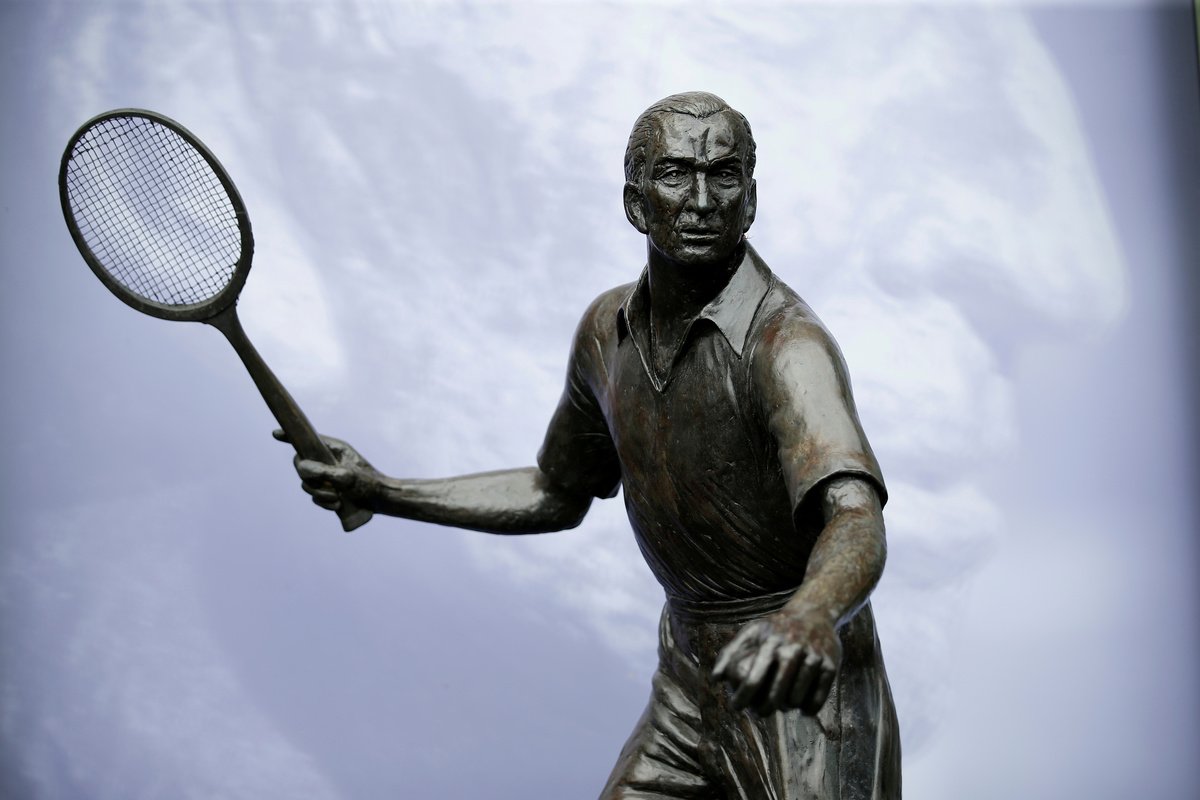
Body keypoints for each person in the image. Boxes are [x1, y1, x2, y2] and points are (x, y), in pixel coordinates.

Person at [280, 92, 900, 799]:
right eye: (676, 175)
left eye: (724, 176)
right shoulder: (606, 332)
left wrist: (812, 615)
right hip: (688, 678)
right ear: (635, 203)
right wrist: (381, 491)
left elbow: (855, 515)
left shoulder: (787, 346)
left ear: (750, 201)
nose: (702, 201)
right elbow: (555, 492)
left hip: (798, 681)